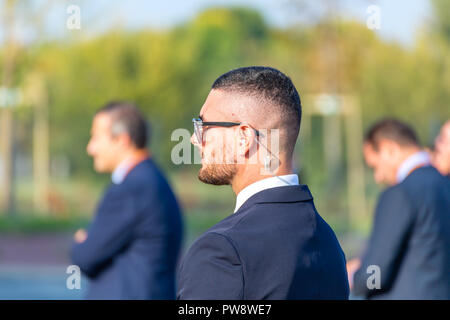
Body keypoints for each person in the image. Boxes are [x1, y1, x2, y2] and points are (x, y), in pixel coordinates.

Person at [177, 66, 349, 300]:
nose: (194, 139)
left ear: (244, 138)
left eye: (204, 126)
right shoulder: (328, 241)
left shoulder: (223, 250)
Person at [70, 101, 183, 299]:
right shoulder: (152, 179)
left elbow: (86, 256)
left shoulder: (133, 187)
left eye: (95, 137)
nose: (90, 148)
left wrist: (82, 243)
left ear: (122, 140)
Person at [347, 119, 450, 299]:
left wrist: (354, 276)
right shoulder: (443, 185)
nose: (378, 177)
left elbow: (376, 274)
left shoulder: (399, 194)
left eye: (375, 166)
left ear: (389, 149)